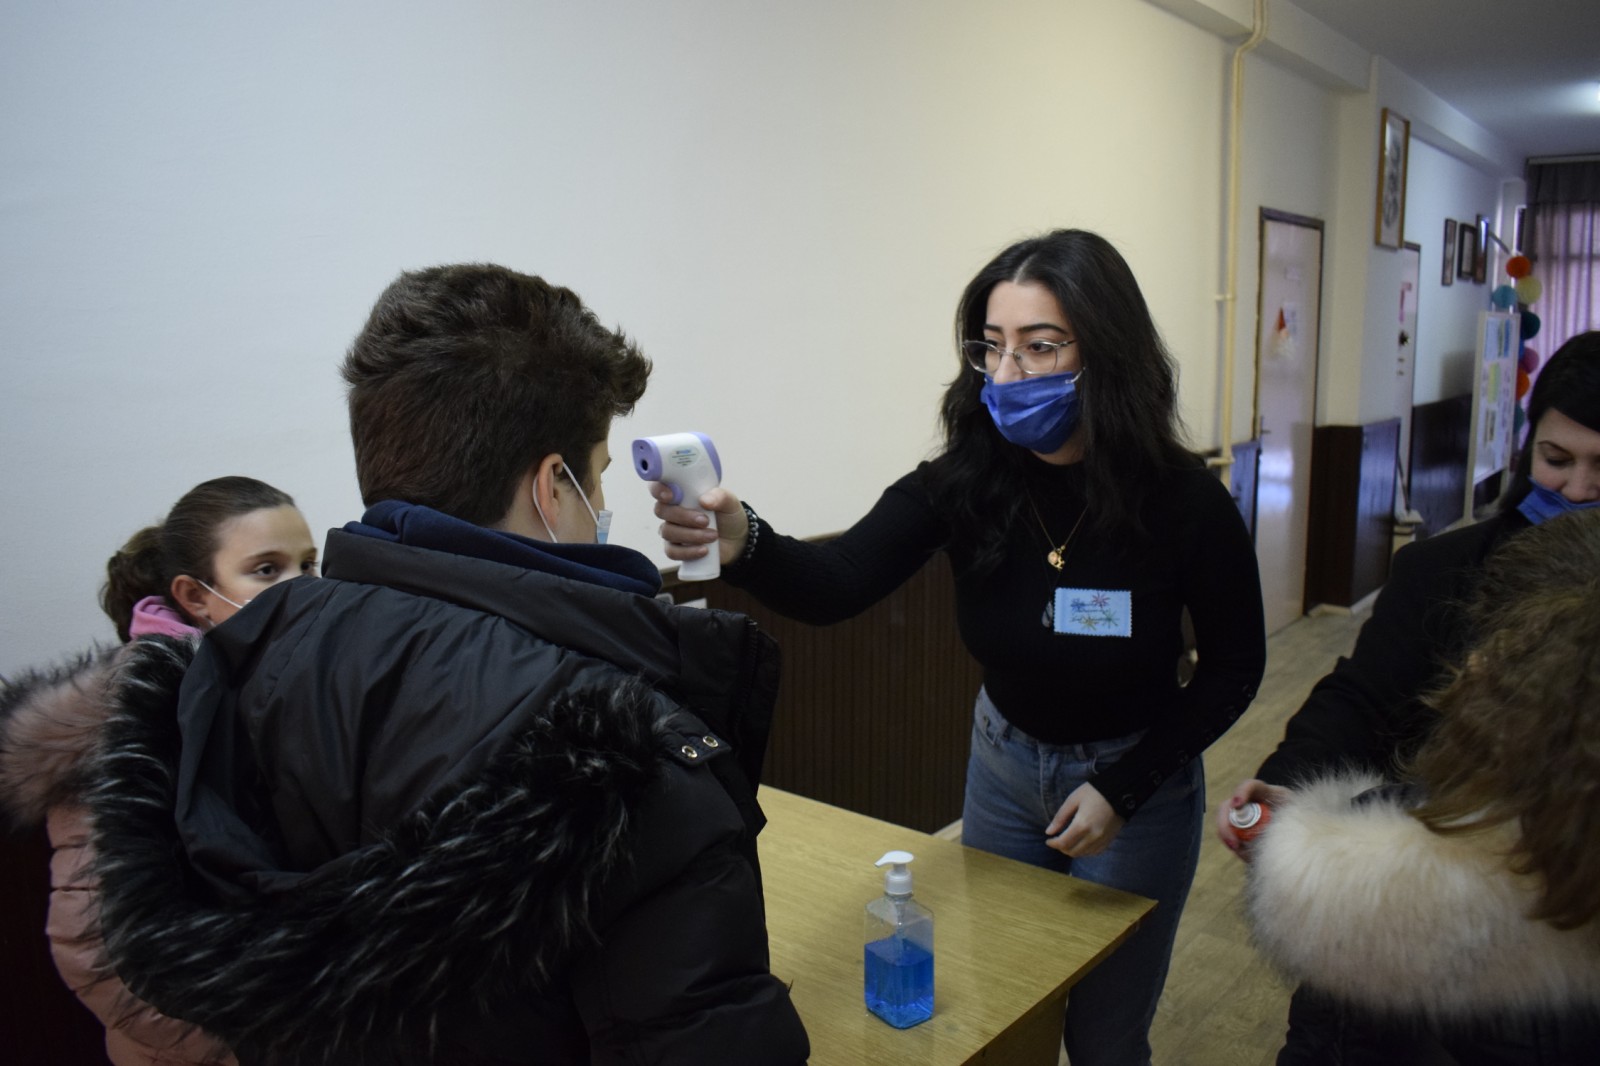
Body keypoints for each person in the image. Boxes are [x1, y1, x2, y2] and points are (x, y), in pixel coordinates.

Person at [78, 265, 809, 1065]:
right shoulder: (623, 752)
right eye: (598, 476)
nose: (602, 505)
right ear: (551, 486)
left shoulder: (254, 653)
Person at [654, 229, 1267, 1066]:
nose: (1007, 375)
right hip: (1004, 769)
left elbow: (1235, 670)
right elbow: (835, 583)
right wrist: (743, 538)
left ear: (1107, 353)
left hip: (1136, 780)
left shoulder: (1186, 503)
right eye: (992, 347)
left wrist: (1124, 788)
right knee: (1002, 999)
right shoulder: (965, 482)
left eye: (1040, 347)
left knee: (1105, 1036)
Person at [1219, 329, 1600, 1063]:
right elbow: (1360, 698)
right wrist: (1293, 785)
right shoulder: (1443, 571)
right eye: (1558, 461)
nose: (1579, 491)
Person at [0, 476, 316, 1066]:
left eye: (308, 564)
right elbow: (96, 945)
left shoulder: (272, 687)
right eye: (266, 569)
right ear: (193, 596)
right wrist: (258, 1042)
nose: (301, 587)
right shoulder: (139, 719)